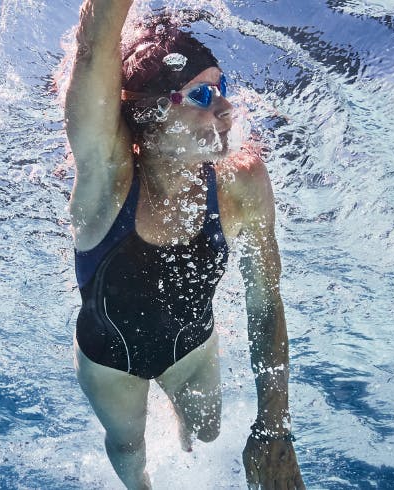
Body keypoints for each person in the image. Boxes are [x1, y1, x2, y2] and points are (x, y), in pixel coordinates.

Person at [63, 2, 303, 488]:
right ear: (152, 112)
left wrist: (273, 425)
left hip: (191, 350)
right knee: (129, 448)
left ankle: (180, 423)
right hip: (110, 362)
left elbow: (264, 300)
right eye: (203, 94)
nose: (226, 106)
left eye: (224, 88)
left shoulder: (241, 183)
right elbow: (93, 51)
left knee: (208, 432)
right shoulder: (108, 181)